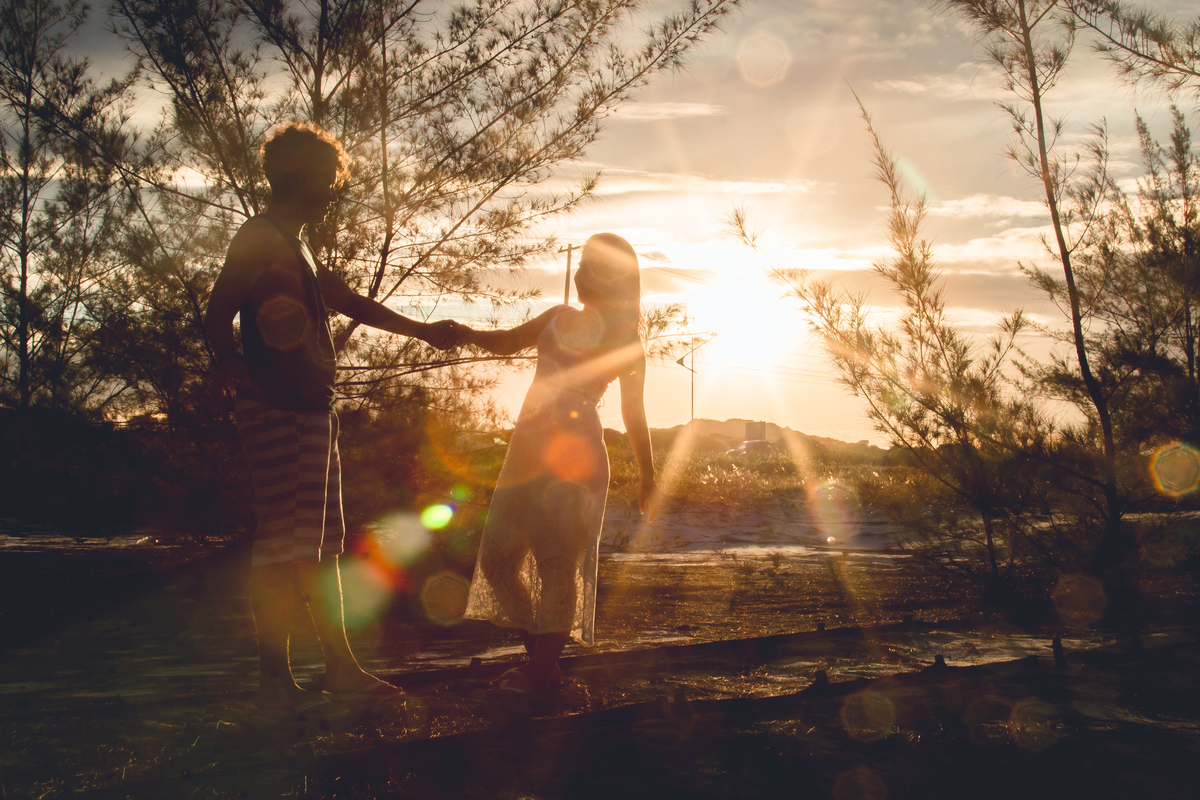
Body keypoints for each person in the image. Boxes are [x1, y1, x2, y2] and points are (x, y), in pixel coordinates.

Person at [203, 122, 455, 711]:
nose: (331, 188)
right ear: (294, 175)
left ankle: (340, 668)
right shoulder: (260, 237)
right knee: (282, 548)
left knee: (323, 547)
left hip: (313, 411)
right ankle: (273, 683)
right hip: (277, 411)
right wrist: (242, 381)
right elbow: (217, 318)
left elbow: (348, 301)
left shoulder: (299, 245)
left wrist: (424, 330)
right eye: (323, 176)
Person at [455, 233, 660, 693]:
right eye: (584, 264)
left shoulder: (627, 341)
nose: (584, 273)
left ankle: (542, 667)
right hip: (526, 452)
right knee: (498, 560)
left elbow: (634, 415)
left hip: (576, 455)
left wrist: (648, 474)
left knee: (556, 565)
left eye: (598, 267)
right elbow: (507, 341)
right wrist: (465, 334)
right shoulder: (556, 316)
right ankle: (542, 663)